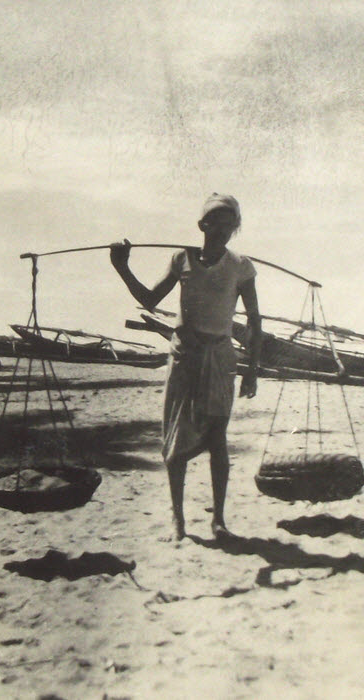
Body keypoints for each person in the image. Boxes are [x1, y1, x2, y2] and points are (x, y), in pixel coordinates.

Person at [110, 193, 262, 540]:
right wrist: (122, 267)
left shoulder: (241, 265)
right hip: (184, 359)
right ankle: (178, 520)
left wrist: (252, 370)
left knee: (218, 439)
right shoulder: (182, 259)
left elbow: (255, 321)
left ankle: (218, 521)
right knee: (175, 441)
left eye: (230, 223)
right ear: (202, 225)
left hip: (221, 359)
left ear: (234, 228)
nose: (223, 228)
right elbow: (149, 300)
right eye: (216, 221)